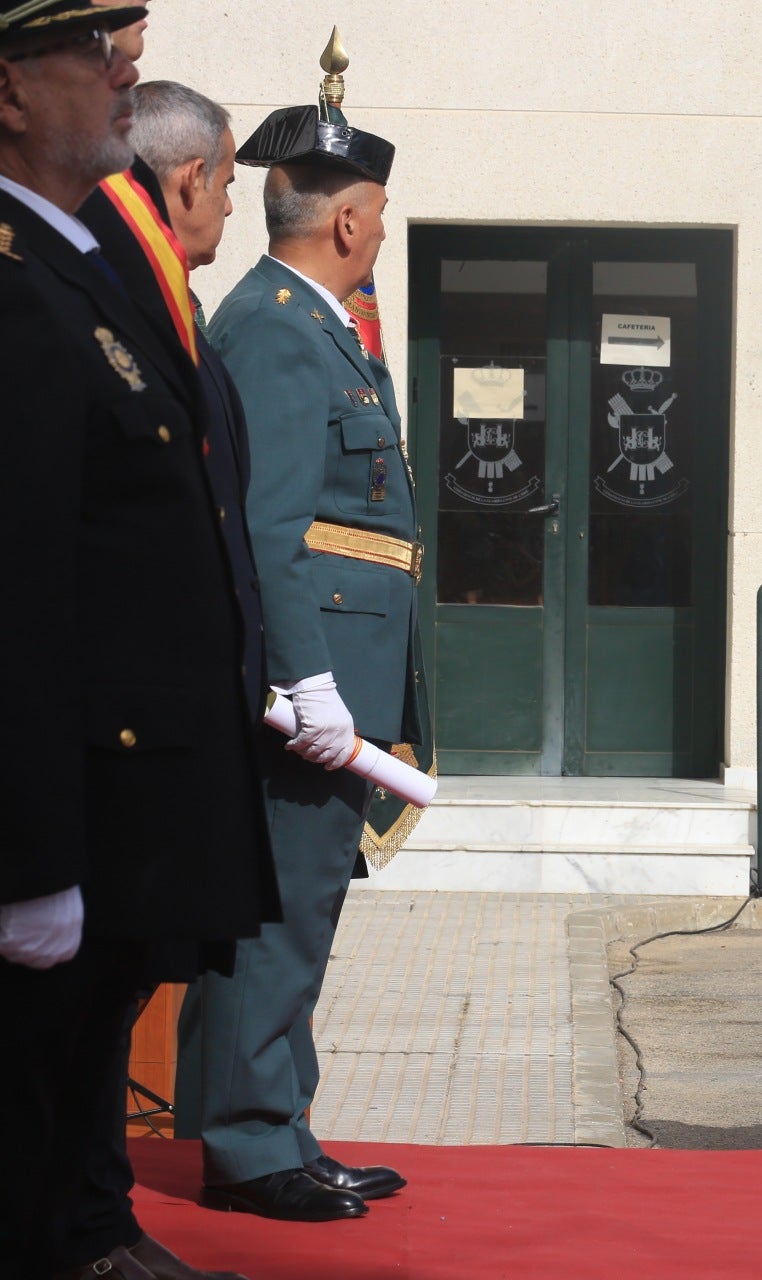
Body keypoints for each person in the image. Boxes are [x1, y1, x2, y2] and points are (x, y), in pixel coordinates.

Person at [0, 5, 279, 1276]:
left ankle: (89, 1229)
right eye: (89, 52)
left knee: (73, 1078)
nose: (125, 69)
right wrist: (29, 853)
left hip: (126, 782)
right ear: (11, 92)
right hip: (69, 794)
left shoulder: (84, 267)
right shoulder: (20, 283)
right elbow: (21, 585)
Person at [172, 86, 425, 1220]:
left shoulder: (307, 320)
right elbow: (269, 525)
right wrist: (305, 676)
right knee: (273, 914)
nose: (375, 233)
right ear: (350, 224)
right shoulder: (279, 326)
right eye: (376, 214)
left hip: (335, 674)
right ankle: (247, 1144)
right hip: (306, 684)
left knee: (299, 908)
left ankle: (282, 1125)